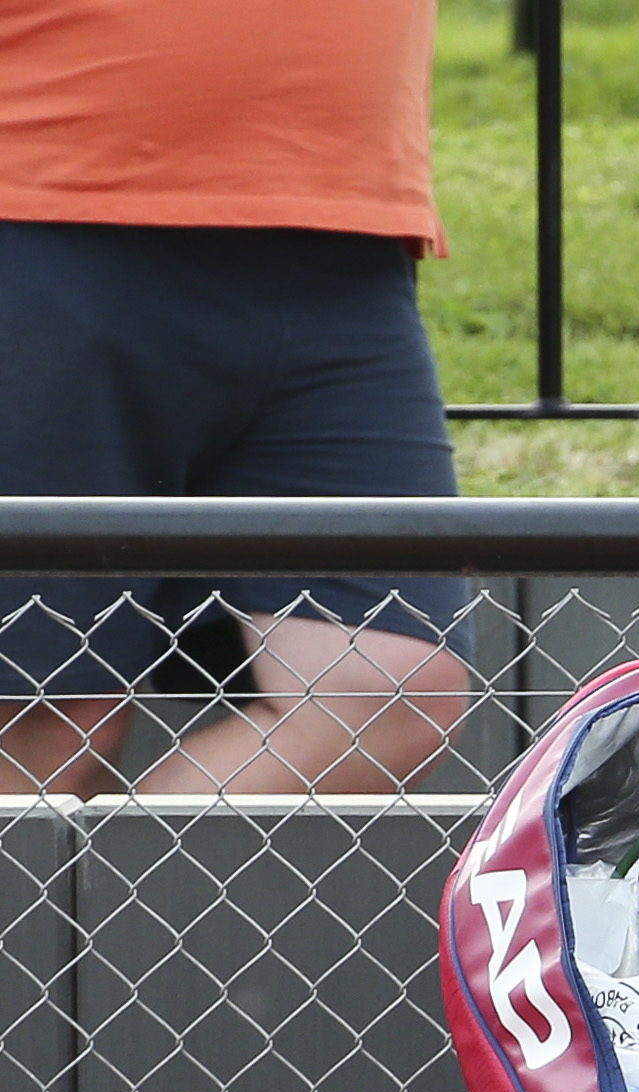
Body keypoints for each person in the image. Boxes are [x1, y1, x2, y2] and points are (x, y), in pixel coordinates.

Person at [0, 0, 474, 797]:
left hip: (342, 232)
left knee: (387, 689)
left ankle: (95, 925)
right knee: (47, 714)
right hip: (44, 202)